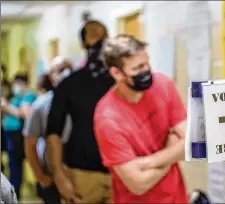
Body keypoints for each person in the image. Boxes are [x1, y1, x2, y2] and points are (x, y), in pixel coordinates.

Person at [94, 34, 188, 203]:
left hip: (177, 198)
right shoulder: (107, 118)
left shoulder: (164, 85)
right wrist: (171, 150)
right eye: (138, 68)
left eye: (147, 63)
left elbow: (190, 144)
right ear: (117, 73)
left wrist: (149, 162)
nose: (146, 71)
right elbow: (138, 184)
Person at [45, 20, 115, 203]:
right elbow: (53, 133)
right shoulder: (69, 84)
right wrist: (59, 175)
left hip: (121, 172)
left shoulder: (121, 82)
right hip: (81, 175)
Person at [23, 58, 73, 204]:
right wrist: (40, 177)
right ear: (51, 76)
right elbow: (30, 144)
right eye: (60, 70)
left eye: (68, 68)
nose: (65, 73)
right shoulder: (41, 105)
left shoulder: (81, 101)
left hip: (78, 173)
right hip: (51, 174)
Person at [1, 73, 36, 199]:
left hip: (18, 136)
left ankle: (14, 193)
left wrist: (5, 106)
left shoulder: (28, 96)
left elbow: (21, 113)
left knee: (15, 165)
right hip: (9, 135)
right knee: (12, 165)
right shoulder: (15, 97)